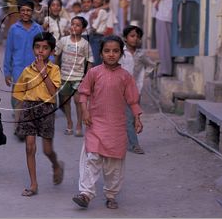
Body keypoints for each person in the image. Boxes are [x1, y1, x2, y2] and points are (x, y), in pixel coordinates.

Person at [72, 35, 143, 210]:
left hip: (117, 127)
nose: (111, 54)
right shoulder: (94, 72)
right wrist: (85, 111)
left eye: (115, 51)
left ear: (121, 54)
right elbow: (83, 94)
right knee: (92, 158)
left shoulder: (126, 77)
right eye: (107, 51)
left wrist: (137, 119)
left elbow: (133, 100)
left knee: (114, 164)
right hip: (96, 124)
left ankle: (111, 195)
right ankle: (86, 194)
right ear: (101, 53)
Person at [13, 32, 64, 197]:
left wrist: (43, 71)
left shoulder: (54, 70)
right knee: (29, 147)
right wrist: (18, 117)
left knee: (47, 150)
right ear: (33, 49)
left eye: (45, 48)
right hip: (29, 109)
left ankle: (56, 165)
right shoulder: (27, 71)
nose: (40, 51)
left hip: (46, 110)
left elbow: (52, 92)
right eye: (37, 47)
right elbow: (20, 97)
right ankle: (33, 184)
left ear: (51, 51)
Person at [4, 0, 43, 132]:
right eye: (23, 10)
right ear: (19, 12)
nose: (26, 13)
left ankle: (30, 124)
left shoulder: (38, 28)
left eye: (28, 10)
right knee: (19, 99)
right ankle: (19, 126)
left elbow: (44, 49)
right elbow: (8, 51)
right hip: (18, 69)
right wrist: (7, 72)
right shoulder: (14, 29)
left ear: (32, 12)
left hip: (34, 69)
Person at [119, 25, 156, 154]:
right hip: (120, 90)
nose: (135, 39)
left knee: (134, 117)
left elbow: (152, 65)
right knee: (124, 117)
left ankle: (131, 143)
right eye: (132, 36)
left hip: (135, 90)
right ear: (125, 38)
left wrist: (144, 75)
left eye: (138, 37)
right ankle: (131, 143)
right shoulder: (121, 53)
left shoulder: (141, 55)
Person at [55, 16, 94, 137]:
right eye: (72, 24)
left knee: (78, 102)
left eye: (77, 25)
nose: (74, 27)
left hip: (78, 78)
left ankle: (78, 125)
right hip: (64, 77)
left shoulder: (85, 44)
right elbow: (56, 56)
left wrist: (87, 78)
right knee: (65, 102)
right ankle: (69, 122)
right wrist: (54, 73)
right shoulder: (63, 41)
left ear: (83, 29)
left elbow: (90, 61)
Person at [151, 0, 174, 76]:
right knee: (165, 42)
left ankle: (166, 69)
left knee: (164, 43)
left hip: (165, 14)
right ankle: (166, 68)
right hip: (165, 12)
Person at [89, 0, 113, 66]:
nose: (95, 0)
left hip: (97, 37)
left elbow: (94, 27)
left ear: (103, 1)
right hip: (95, 37)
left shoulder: (101, 11)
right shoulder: (96, 10)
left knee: (95, 61)